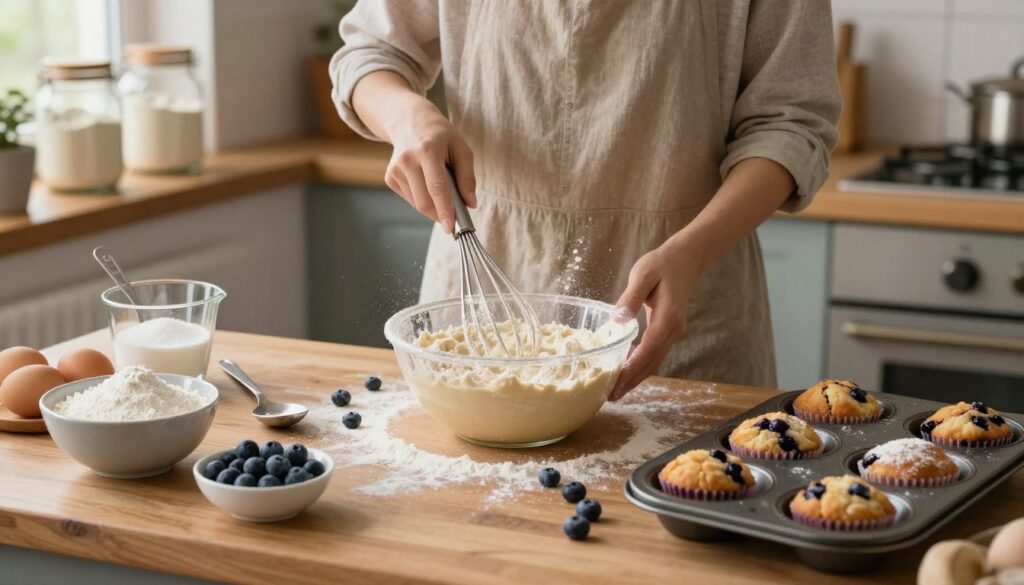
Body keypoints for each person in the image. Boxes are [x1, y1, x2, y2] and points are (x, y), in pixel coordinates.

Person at [331, 2, 840, 399]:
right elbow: (369, 53)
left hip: (682, 310)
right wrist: (407, 119)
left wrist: (692, 251)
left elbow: (790, 124)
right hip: (482, 308)